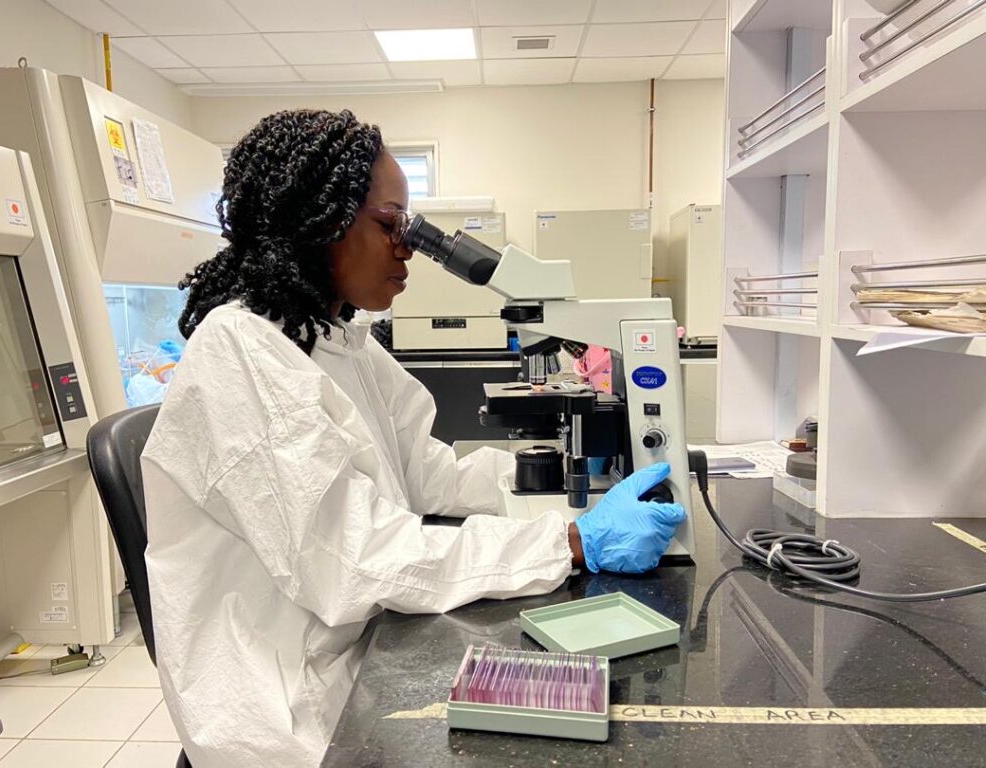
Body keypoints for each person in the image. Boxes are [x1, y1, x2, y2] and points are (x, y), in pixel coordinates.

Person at [141, 109, 686, 767]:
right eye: (389, 224)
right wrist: (570, 542)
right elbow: (357, 558)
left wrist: (567, 484)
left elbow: (428, 472)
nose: (407, 247)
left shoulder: (338, 340)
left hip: (356, 652)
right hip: (289, 710)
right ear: (318, 222)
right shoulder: (241, 353)